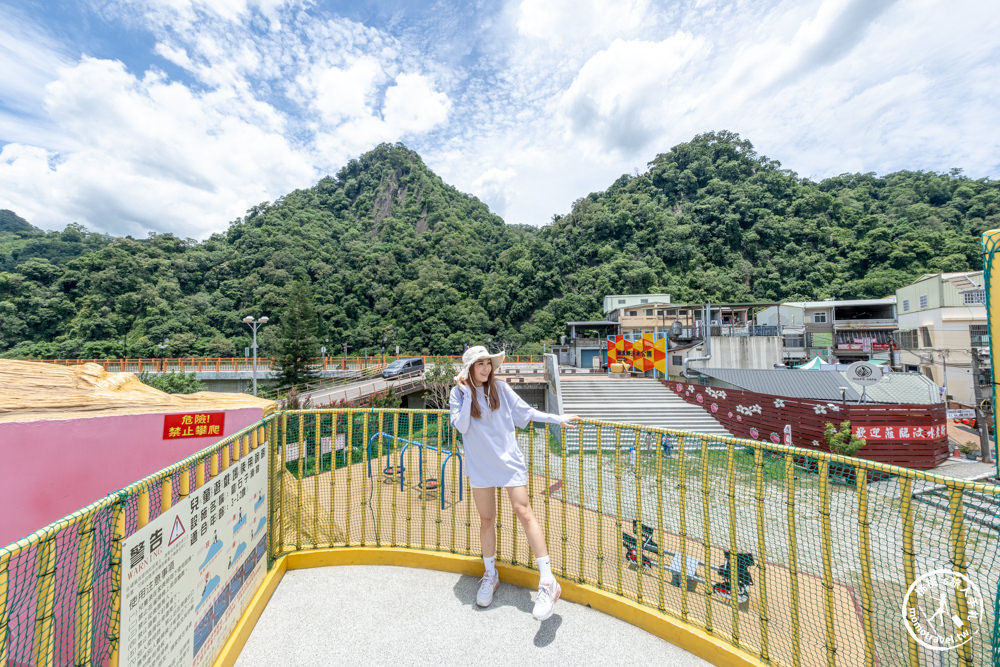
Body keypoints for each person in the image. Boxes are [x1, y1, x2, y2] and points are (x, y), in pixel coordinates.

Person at [449, 345, 580, 621]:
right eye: (480, 364)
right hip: (481, 466)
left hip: (508, 462)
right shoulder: (459, 393)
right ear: (469, 368)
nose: (485, 369)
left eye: (488, 363)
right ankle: (490, 574)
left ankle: (547, 581)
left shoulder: (500, 388)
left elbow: (527, 412)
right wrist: (466, 392)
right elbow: (461, 427)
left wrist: (557, 418)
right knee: (486, 519)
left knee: (524, 511)